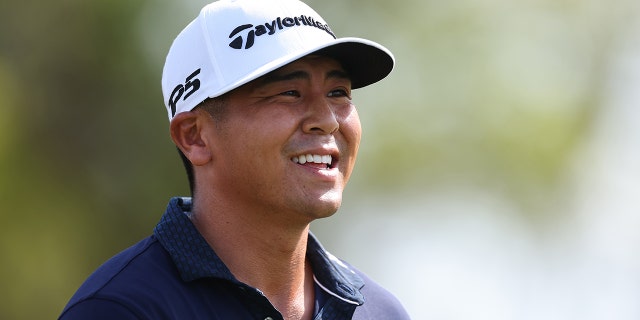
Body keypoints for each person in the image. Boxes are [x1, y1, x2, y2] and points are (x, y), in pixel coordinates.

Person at [58, 0, 409, 319]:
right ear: (194, 136)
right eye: (290, 93)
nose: (328, 119)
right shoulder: (121, 310)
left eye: (338, 93)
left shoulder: (380, 312)